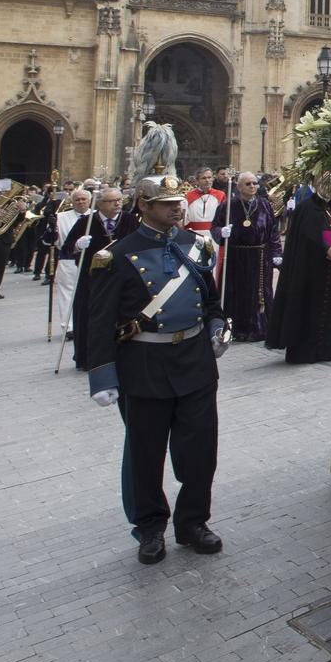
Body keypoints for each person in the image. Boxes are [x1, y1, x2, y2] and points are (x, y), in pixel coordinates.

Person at [81, 173, 227, 565]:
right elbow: (99, 322)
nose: (177, 207)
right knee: (145, 456)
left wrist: (216, 327)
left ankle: (194, 522)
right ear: (143, 207)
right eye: (166, 203)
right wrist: (102, 375)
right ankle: (149, 527)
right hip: (144, 366)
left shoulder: (197, 246)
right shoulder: (116, 256)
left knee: (200, 453)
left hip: (194, 362)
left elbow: (211, 303)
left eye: (179, 201)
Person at [269, 170, 331, 364]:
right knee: (308, 309)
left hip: (330, 268)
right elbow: (306, 236)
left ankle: (326, 350)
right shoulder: (306, 208)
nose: (328, 187)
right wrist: (325, 248)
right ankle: (306, 351)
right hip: (309, 270)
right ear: (316, 183)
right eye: (324, 182)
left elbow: (329, 230)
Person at [217, 171, 280, 343]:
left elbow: (273, 231)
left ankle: (260, 327)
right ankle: (238, 328)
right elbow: (215, 227)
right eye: (248, 184)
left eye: (255, 183)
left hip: (259, 255)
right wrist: (221, 233)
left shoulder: (265, 204)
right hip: (236, 255)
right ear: (238, 186)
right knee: (237, 292)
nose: (253, 186)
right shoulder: (228, 205)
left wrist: (276, 253)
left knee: (260, 293)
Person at [67, 188, 124, 373]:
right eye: (112, 201)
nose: (117, 203)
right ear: (99, 204)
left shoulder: (129, 220)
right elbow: (66, 249)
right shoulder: (86, 222)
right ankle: (87, 357)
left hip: (122, 278)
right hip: (92, 279)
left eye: (119, 200)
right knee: (88, 315)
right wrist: (78, 244)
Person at [50, 187, 92, 340]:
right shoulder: (60, 217)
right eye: (77, 199)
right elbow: (52, 240)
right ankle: (69, 327)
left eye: (83, 199)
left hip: (91, 260)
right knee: (67, 294)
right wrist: (51, 229)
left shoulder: (96, 216)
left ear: (89, 200)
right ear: (72, 201)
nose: (80, 202)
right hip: (68, 259)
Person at [183, 167, 224, 239]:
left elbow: (224, 217)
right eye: (204, 178)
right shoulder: (189, 196)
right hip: (193, 235)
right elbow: (183, 218)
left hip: (214, 235)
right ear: (197, 181)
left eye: (209, 177)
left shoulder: (220, 195)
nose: (207, 180)